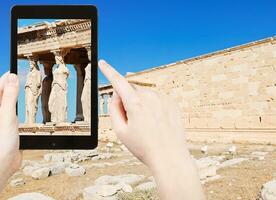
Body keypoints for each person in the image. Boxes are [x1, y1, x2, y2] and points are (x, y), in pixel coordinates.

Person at [0, 60, 206, 200]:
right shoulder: (44, 74)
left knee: (81, 99)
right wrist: (172, 162)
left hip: (67, 86)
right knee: (48, 103)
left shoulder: (69, 70)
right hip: (50, 88)